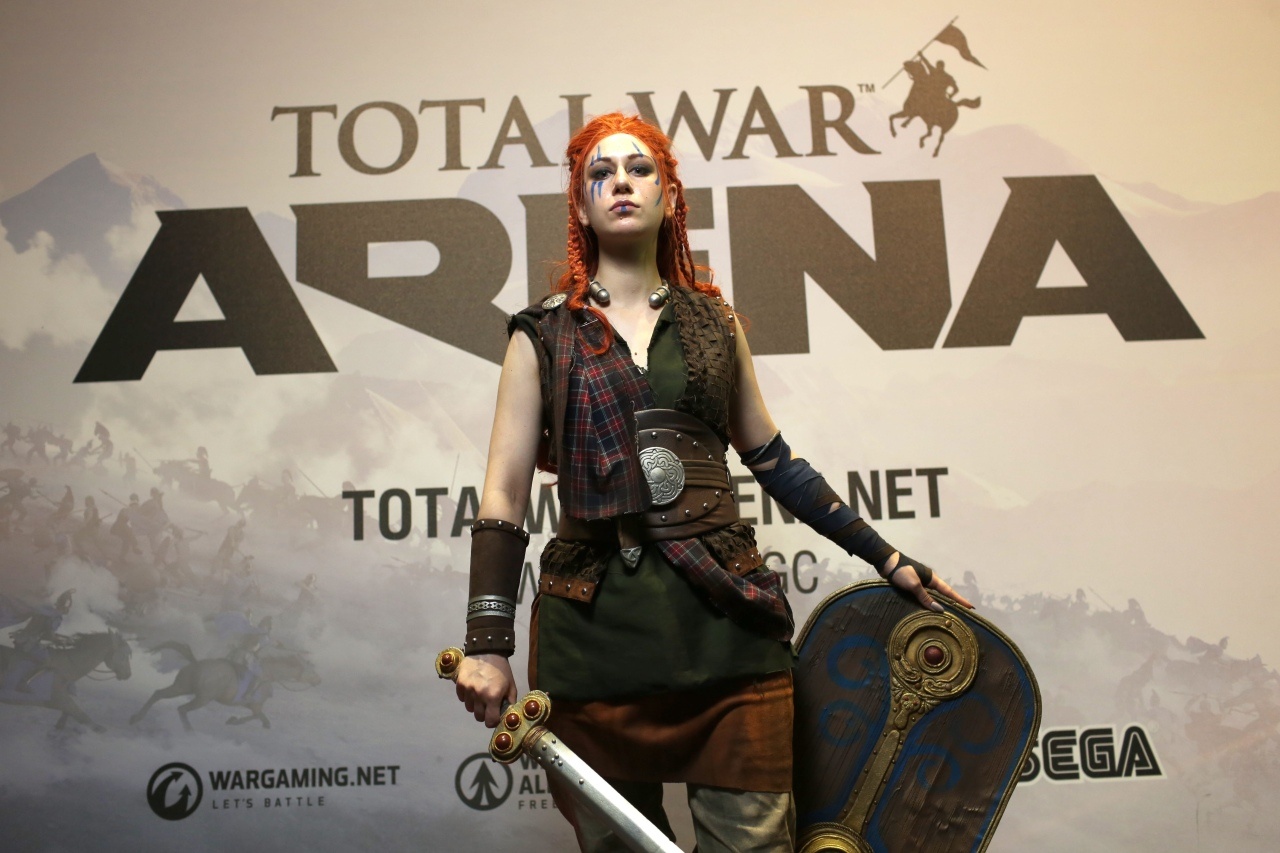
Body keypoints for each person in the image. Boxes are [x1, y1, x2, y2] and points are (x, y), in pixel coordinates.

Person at [451, 113, 971, 852]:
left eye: (639, 169)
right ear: (580, 207)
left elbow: (776, 461)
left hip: (728, 630)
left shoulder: (715, 322)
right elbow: (503, 494)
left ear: (669, 197)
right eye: (601, 173)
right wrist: (486, 643)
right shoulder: (541, 333)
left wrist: (885, 556)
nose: (621, 183)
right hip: (594, 643)